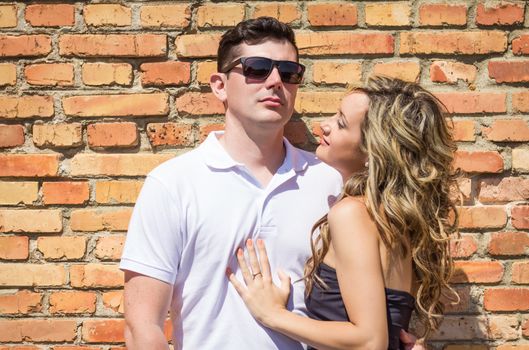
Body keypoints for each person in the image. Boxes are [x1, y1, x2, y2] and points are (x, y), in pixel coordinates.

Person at [120, 17, 421, 349]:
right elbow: (142, 326)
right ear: (220, 85)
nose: (276, 80)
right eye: (257, 68)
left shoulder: (335, 182)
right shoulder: (173, 184)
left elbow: (375, 305)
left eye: (289, 72)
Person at [228, 76, 460, 349]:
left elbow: (369, 341)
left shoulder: (352, 214)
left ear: (373, 150)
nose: (324, 126)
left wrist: (273, 315)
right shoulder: (393, 219)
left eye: (340, 123)